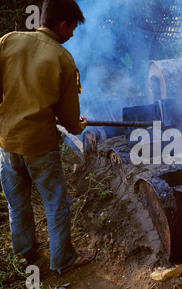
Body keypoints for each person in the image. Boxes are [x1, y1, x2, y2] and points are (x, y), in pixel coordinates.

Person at [0, 0, 95, 274]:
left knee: (17, 203)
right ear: (61, 25)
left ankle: (24, 256)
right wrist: (78, 126)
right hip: (39, 146)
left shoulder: (8, 41)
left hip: (7, 142)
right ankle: (63, 259)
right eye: (73, 28)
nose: (73, 35)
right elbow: (68, 119)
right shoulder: (62, 59)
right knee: (56, 203)